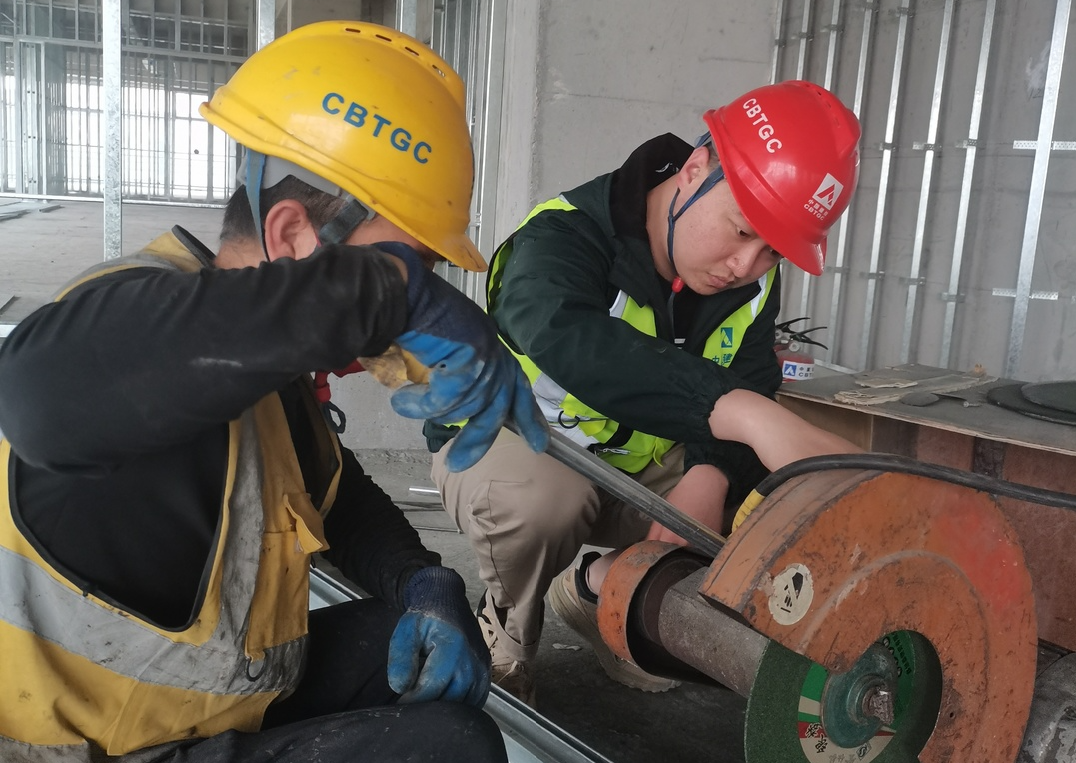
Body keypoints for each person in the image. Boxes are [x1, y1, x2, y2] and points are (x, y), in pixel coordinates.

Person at [0, 21, 548, 763]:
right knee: (452, 746)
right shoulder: (146, 339)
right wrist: (382, 292)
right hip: (87, 749)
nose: (421, 297)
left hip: (208, 708)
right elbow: (37, 399)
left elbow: (335, 498)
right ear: (291, 237)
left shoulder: (265, 366)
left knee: (408, 641)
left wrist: (425, 584)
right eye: (407, 263)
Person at [427, 80, 863, 706]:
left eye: (772, 252)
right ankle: (507, 623)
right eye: (742, 231)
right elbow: (565, 335)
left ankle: (596, 589)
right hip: (519, 445)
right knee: (539, 504)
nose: (745, 267)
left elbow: (750, 376)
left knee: (759, 517)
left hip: (640, 467)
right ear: (694, 170)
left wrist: (711, 475)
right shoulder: (564, 235)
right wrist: (742, 414)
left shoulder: (748, 285)